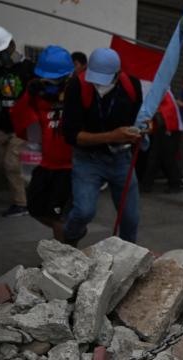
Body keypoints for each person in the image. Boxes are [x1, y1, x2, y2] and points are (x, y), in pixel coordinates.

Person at [62, 47, 143, 245]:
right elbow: (72, 136)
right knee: (83, 211)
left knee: (130, 218)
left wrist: (140, 130)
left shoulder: (131, 86)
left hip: (121, 160)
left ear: (117, 75)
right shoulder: (76, 85)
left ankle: (130, 257)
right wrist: (112, 136)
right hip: (87, 160)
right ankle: (70, 239)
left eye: (104, 79)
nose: (98, 84)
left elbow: (137, 121)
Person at [10, 46, 74, 241]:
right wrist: (29, 95)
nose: (50, 82)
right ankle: (69, 234)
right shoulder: (37, 93)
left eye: (55, 78)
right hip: (45, 162)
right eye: (46, 78)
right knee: (35, 208)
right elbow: (21, 120)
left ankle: (62, 258)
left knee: (57, 216)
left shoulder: (76, 91)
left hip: (69, 166)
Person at [0, 25, 34, 217]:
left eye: (3, 51)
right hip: (3, 123)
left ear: (12, 45)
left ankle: (21, 204)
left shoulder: (28, 69)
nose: (1, 56)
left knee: (11, 164)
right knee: (1, 163)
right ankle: (27, 190)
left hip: (23, 125)